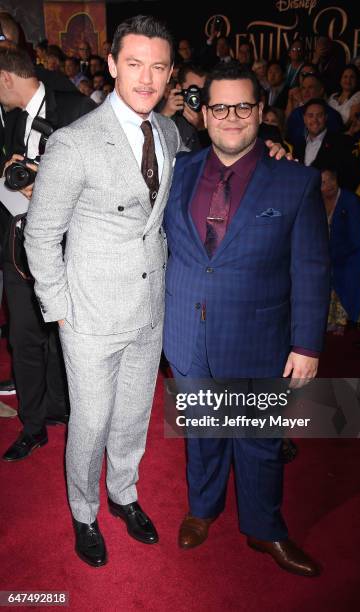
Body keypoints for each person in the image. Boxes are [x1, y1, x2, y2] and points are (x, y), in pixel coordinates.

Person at [24, 15, 185, 569]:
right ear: (113, 65)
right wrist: (60, 311)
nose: (146, 78)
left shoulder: (167, 132)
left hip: (148, 307)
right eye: (134, 64)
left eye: (158, 67)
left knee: (134, 414)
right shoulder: (74, 142)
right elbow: (41, 235)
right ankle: (84, 510)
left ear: (169, 74)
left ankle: (124, 494)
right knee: (89, 424)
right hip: (88, 314)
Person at [163, 63, 330, 577]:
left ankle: (264, 528)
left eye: (243, 106)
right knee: (202, 431)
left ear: (260, 112)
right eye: (220, 107)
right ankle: (203, 507)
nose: (231, 117)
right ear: (204, 113)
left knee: (258, 441)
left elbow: (311, 267)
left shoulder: (295, 182)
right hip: (188, 334)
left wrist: (307, 345)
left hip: (260, 339)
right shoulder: (180, 170)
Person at [0, 44, 95, 463]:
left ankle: (66, 410)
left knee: (65, 336)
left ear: (6, 76)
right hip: (16, 246)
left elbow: (99, 176)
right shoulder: (6, 118)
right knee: (24, 339)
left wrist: (51, 184)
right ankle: (33, 425)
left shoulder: (76, 108)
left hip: (66, 246)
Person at [321, 169, 360, 335]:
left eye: (328, 181)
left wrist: (334, 254)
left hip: (350, 254)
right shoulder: (318, 201)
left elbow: (356, 237)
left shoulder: (351, 201)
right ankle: (329, 320)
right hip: (329, 253)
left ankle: (341, 321)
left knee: (345, 280)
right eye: (322, 182)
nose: (326, 185)